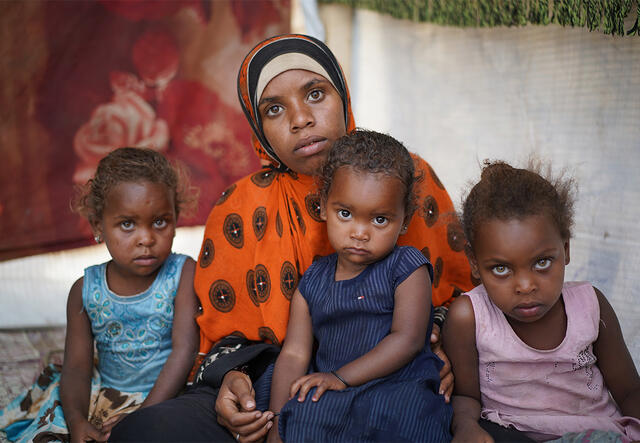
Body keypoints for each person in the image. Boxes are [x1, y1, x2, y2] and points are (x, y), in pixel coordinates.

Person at [111, 34, 472, 442]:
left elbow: (461, 293)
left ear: (343, 97)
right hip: (277, 385)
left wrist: (440, 342)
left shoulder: (409, 177)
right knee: (145, 433)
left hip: (389, 381)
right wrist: (234, 380)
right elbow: (224, 336)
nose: (300, 119)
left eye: (316, 93)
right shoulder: (240, 208)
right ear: (258, 127)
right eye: (275, 109)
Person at [0, 147, 200, 443]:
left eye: (160, 221)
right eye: (127, 224)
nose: (146, 238)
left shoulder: (183, 274)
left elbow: (184, 352)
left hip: (166, 396)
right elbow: (78, 368)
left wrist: (143, 415)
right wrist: (78, 420)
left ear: (175, 218)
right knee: (52, 429)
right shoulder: (85, 290)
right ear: (98, 226)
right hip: (103, 394)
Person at [266, 130, 452, 442]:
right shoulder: (313, 280)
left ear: (404, 220)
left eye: (380, 220)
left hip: (398, 387)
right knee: (302, 412)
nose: (360, 233)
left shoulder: (407, 268)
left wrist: (342, 377)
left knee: (409, 417)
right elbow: (294, 354)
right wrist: (277, 421)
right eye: (346, 214)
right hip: (332, 392)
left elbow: (407, 339)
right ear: (324, 206)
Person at [443, 160, 640, 442]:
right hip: (511, 432)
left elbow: (630, 390)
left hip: (592, 434)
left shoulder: (590, 306)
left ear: (566, 249)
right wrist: (466, 427)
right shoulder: (469, 317)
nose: (525, 286)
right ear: (474, 263)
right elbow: (465, 397)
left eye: (542, 262)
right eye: (501, 268)